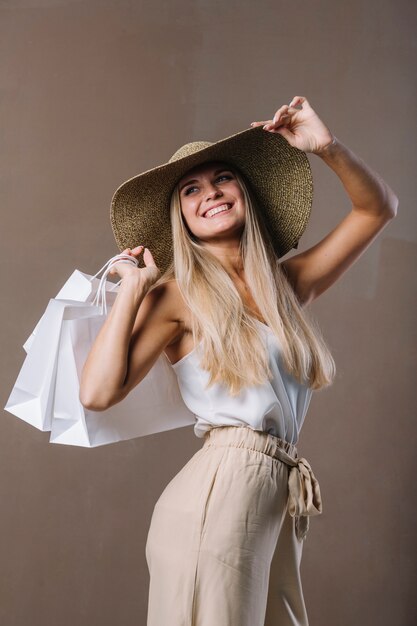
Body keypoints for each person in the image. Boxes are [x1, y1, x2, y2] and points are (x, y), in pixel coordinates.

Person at [79, 96, 398, 625]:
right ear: (180, 216)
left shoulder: (287, 287)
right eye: (191, 190)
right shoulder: (176, 296)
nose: (211, 194)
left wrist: (328, 147)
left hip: (277, 497)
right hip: (217, 497)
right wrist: (134, 291)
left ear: (244, 192)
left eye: (222, 179)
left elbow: (378, 209)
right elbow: (96, 393)